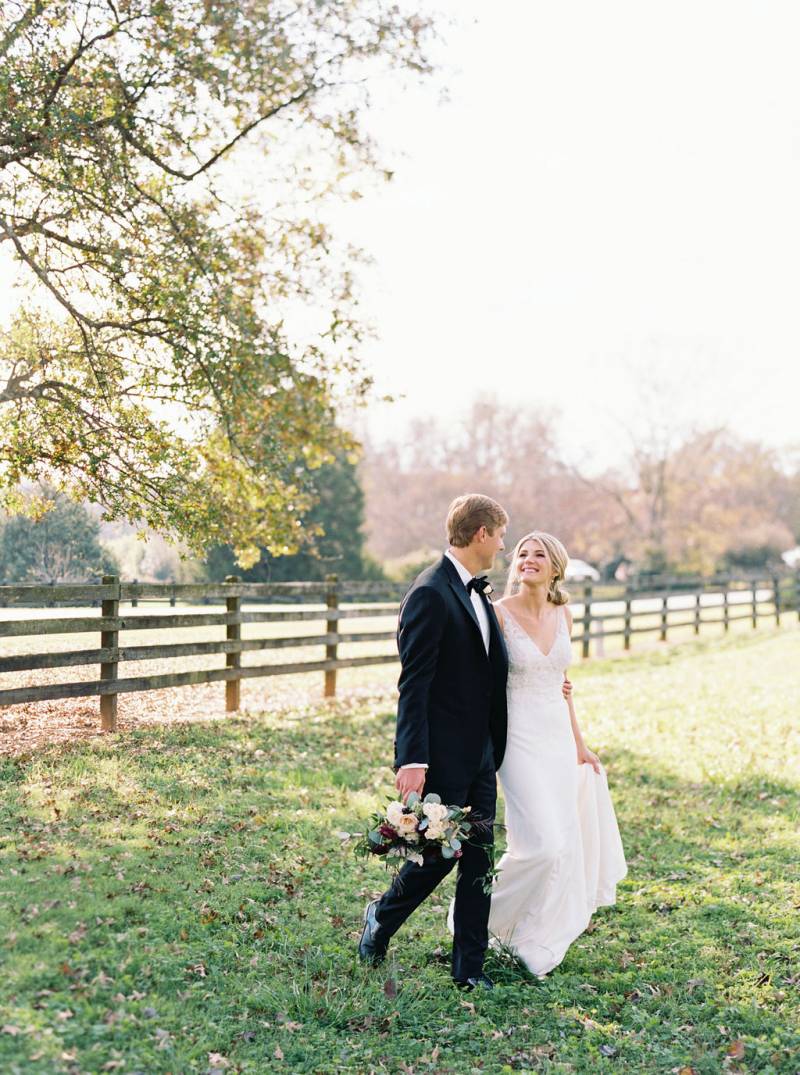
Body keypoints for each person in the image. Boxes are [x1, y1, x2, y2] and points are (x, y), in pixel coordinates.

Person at [479, 530, 627, 977]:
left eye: (538, 554)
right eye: (521, 553)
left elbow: (564, 685)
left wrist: (580, 744)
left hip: (558, 737)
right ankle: (477, 919)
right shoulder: (498, 614)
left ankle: (534, 933)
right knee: (538, 844)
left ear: (555, 567)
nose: (527, 559)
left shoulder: (565, 613)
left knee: (561, 843)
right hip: (517, 737)